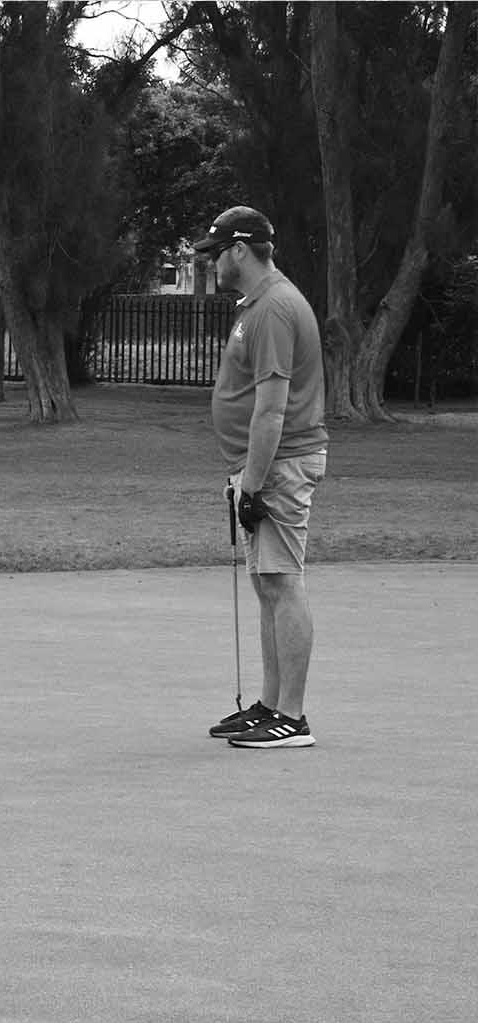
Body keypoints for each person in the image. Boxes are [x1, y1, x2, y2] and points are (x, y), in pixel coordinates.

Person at [192, 206, 328, 748]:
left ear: (240, 251)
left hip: (280, 465)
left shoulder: (273, 308)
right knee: (267, 582)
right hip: (263, 467)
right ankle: (271, 705)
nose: (213, 262)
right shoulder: (258, 304)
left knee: (283, 581)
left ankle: (291, 717)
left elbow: (271, 409)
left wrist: (250, 485)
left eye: (217, 252)